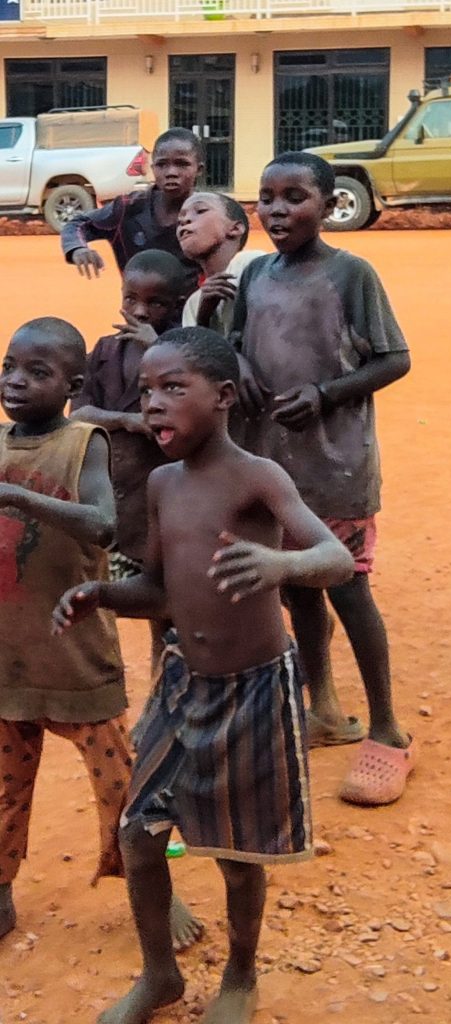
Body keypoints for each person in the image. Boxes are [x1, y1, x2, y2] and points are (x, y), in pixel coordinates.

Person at [53, 326, 355, 1024]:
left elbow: (334, 557)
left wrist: (282, 565)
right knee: (139, 833)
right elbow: (160, 590)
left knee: (237, 849)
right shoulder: (162, 483)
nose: (153, 406)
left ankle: (242, 976)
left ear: (222, 398)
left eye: (171, 389)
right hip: (184, 683)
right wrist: (103, 594)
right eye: (145, 393)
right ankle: (160, 975)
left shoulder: (258, 477)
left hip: (254, 688)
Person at [0, 318, 199, 950]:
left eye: (38, 373)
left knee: (124, 785)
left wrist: (18, 496)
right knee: (5, 788)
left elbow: (101, 525)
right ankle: (0, 894)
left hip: (75, 654)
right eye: (9, 366)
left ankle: (158, 891)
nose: (15, 381)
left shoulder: (84, 441)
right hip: (9, 655)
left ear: (73, 384)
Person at [231, 151, 415, 805]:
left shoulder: (351, 274)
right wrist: (239, 367)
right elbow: (230, 343)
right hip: (271, 467)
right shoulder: (253, 274)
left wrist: (329, 392)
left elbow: (395, 358)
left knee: (348, 590)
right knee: (299, 593)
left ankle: (389, 729)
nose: (278, 210)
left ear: (330, 204)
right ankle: (325, 709)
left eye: (294, 197)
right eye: (268, 197)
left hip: (335, 468)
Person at [71, 250, 191, 669]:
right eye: (130, 299)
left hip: (160, 507)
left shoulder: (183, 353)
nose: (139, 311)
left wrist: (159, 349)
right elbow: (80, 413)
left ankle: (163, 691)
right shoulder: (105, 351)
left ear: (177, 305)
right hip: (114, 502)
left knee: (165, 607)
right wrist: (127, 419)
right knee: (103, 600)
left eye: (155, 303)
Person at [61, 128, 203, 283]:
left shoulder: (211, 214)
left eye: (182, 164)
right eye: (162, 164)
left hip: (195, 306)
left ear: (199, 169)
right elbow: (78, 223)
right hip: (139, 305)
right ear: (153, 168)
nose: (171, 172)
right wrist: (77, 248)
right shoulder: (127, 208)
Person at [177, 192, 266, 337]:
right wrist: (203, 317)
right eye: (180, 221)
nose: (185, 221)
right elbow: (198, 357)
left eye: (200, 211)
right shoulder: (194, 303)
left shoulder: (252, 264)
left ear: (235, 228)